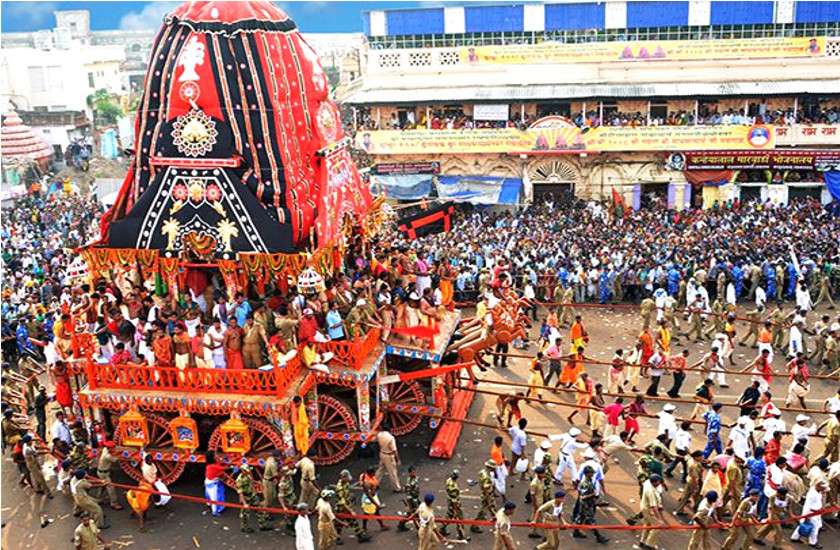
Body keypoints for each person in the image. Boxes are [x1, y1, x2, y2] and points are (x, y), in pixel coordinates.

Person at [572, 466, 609, 544]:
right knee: (591, 520)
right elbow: (582, 496)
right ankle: (598, 537)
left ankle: (576, 532)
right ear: (587, 474)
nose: (592, 474)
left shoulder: (589, 481)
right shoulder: (585, 483)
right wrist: (593, 494)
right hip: (586, 505)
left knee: (581, 519)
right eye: (591, 473)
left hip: (589, 504)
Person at [791, 480, 827, 548]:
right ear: (818, 486)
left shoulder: (818, 492)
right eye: (823, 488)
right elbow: (807, 505)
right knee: (815, 528)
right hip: (811, 513)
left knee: (803, 525)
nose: (824, 489)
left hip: (816, 512)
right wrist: (806, 515)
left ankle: (795, 537)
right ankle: (813, 542)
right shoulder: (812, 494)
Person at [236, 464, 270, 533]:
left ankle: (262, 525)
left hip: (252, 495)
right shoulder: (239, 480)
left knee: (259, 509)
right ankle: (244, 527)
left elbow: (251, 482)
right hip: (245, 497)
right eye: (246, 471)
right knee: (245, 514)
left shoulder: (248, 475)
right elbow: (240, 492)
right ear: (242, 471)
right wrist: (244, 503)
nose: (248, 472)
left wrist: (257, 483)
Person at [440, 470, 468, 541]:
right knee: (459, 518)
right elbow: (454, 500)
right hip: (454, 504)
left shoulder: (448, 480)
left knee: (449, 516)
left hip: (450, 502)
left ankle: (442, 528)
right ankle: (461, 534)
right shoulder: (453, 487)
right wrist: (456, 509)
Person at [95, 440, 122, 510]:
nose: (114, 449)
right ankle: (114, 503)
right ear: (110, 448)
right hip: (104, 474)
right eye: (113, 448)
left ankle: (98, 499)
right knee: (111, 488)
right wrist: (122, 454)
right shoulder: (107, 456)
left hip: (100, 472)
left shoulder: (105, 449)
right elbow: (116, 459)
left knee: (102, 486)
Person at [375, 422, 402, 492]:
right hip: (389, 456)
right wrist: (398, 459)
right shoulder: (391, 438)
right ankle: (397, 488)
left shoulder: (379, 435)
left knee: (380, 470)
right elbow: (394, 450)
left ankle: (374, 483)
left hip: (382, 453)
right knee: (392, 472)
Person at [475, 460, 499, 533]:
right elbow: (486, 490)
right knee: (483, 512)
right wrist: (488, 500)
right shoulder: (487, 478)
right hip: (487, 496)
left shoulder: (482, 472)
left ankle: (495, 519)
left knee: (493, 507)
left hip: (488, 494)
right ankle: (475, 525)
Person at [398, 465, 421, 532]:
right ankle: (418, 528)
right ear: (409, 473)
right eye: (412, 472)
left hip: (416, 498)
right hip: (412, 499)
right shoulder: (410, 482)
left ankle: (401, 524)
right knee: (415, 514)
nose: (414, 473)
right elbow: (407, 490)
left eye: (414, 471)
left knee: (411, 513)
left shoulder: (414, 478)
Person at [204, 452, 226, 516]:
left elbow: (219, 464)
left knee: (208, 496)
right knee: (214, 498)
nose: (217, 456)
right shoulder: (214, 466)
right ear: (213, 458)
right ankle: (215, 512)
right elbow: (224, 468)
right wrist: (234, 466)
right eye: (215, 455)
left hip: (208, 482)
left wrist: (222, 459)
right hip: (212, 484)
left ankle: (208, 506)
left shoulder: (209, 465)